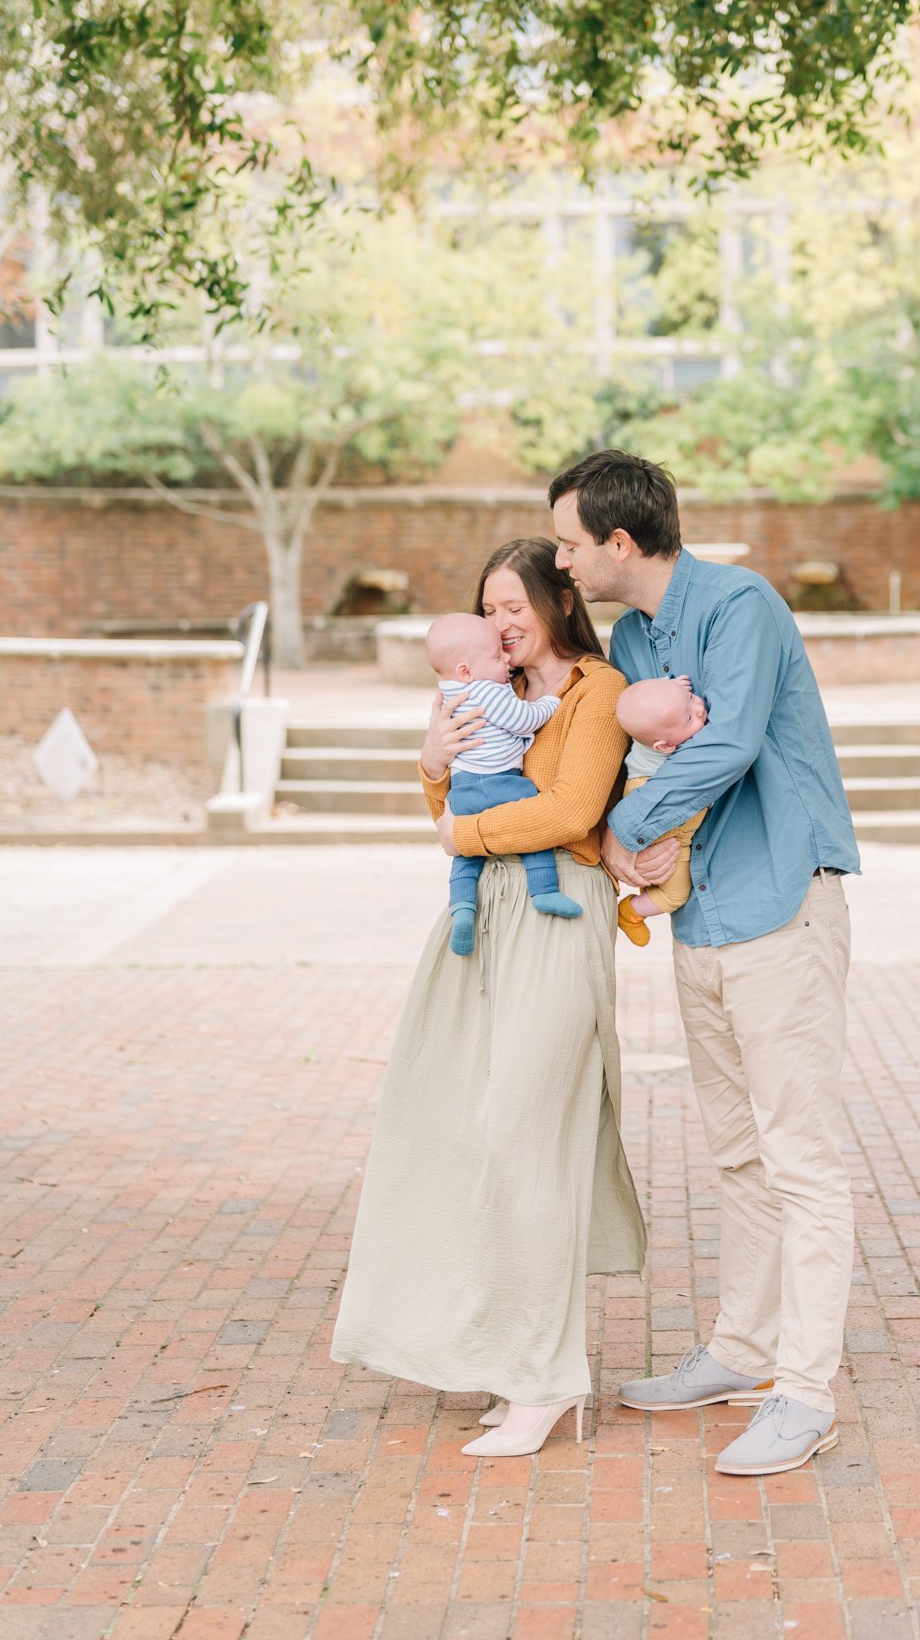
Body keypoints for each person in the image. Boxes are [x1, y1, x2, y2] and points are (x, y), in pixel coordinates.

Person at [551, 450, 860, 1478]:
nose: (564, 559)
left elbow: (718, 748)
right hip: (705, 914)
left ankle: (804, 1389)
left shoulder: (742, 605)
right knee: (736, 1148)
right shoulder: (636, 633)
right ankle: (741, 1348)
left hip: (783, 899)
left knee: (801, 1155)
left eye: (569, 542)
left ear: (620, 542)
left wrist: (617, 831)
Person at [330, 537, 645, 1460]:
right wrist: (431, 763)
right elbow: (449, 784)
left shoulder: (596, 691)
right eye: (490, 607)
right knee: (457, 1126)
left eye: (516, 606)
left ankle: (547, 1380)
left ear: (557, 602)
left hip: (555, 911)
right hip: (482, 911)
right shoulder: (478, 692)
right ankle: (509, 1360)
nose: (503, 624)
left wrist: (457, 827)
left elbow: (569, 812)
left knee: (524, 1135)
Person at [424, 608, 581, 956]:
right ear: (467, 670)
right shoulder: (489, 690)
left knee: (465, 857)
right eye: (497, 656)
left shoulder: (448, 692)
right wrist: (551, 703)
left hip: (462, 789)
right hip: (499, 782)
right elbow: (522, 720)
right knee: (533, 829)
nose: (506, 661)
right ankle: (544, 892)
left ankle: (462, 907)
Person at [613, 674, 709, 947]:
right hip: (653, 799)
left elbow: (660, 698)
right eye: (690, 719)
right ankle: (630, 911)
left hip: (640, 792)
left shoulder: (663, 720)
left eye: (690, 700)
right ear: (664, 747)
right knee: (674, 895)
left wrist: (675, 688)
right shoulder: (678, 748)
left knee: (660, 866)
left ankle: (648, 889)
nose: (700, 709)